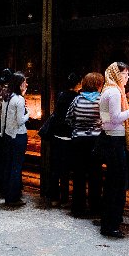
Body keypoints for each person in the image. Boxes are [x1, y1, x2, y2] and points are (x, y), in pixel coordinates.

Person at [99, 62, 129, 238]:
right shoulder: (113, 92)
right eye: (125, 74)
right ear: (117, 75)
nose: (127, 78)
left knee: (114, 182)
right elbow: (115, 118)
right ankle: (111, 224)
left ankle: (111, 221)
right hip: (115, 141)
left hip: (111, 136)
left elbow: (107, 119)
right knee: (117, 184)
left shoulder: (108, 90)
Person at [67, 71, 105, 217]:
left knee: (79, 175)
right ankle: (95, 208)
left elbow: (69, 118)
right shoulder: (101, 100)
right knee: (95, 174)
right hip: (95, 141)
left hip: (78, 141)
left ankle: (78, 208)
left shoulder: (77, 99)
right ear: (97, 85)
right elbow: (106, 120)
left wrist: (79, 127)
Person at [45, 72, 79, 207]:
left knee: (56, 168)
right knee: (66, 170)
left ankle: (54, 197)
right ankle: (64, 198)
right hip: (69, 136)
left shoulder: (60, 95)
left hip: (56, 135)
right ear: (78, 84)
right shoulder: (77, 97)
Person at [2, 72, 30, 206]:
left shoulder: (7, 97)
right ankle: (13, 196)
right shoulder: (19, 100)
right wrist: (28, 114)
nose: (26, 84)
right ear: (20, 84)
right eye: (24, 82)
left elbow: (3, 118)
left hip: (8, 134)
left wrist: (3, 132)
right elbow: (20, 121)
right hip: (18, 135)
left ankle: (8, 193)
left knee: (9, 164)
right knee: (17, 166)